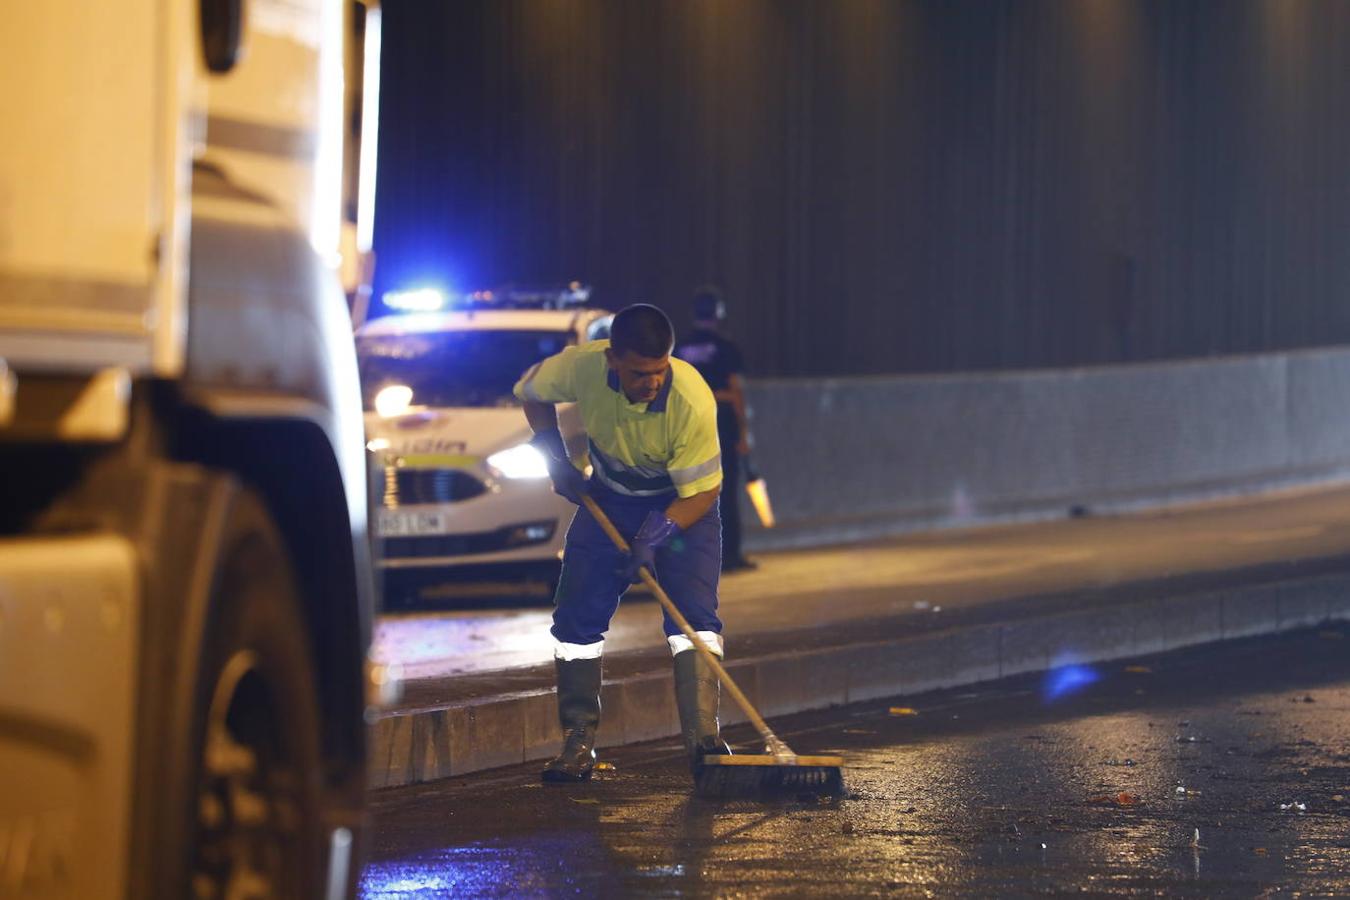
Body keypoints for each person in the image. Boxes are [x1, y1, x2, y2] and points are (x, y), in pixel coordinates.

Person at [514, 303, 731, 784]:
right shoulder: (582, 365)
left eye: (658, 372)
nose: (651, 383)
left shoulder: (691, 400)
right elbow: (530, 391)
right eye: (638, 373)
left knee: (693, 619)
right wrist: (554, 458)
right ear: (613, 359)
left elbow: (703, 491)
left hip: (681, 508)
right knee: (575, 618)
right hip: (608, 501)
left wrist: (656, 536)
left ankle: (704, 743)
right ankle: (577, 741)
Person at [674, 286, 756, 572]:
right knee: (726, 492)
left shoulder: (681, 348)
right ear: (719, 314)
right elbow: (735, 391)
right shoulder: (725, 347)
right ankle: (730, 556)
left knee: (693, 492)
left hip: (691, 427)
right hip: (722, 426)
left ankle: (696, 555)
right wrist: (744, 433)